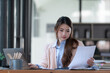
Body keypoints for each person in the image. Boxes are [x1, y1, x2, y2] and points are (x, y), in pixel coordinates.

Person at [28, 16, 94, 69]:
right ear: (56, 30)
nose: (64, 34)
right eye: (61, 30)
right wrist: (37, 66)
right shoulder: (48, 47)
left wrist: (89, 64)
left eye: (67, 31)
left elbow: (84, 65)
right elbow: (43, 65)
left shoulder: (78, 44)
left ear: (71, 31)